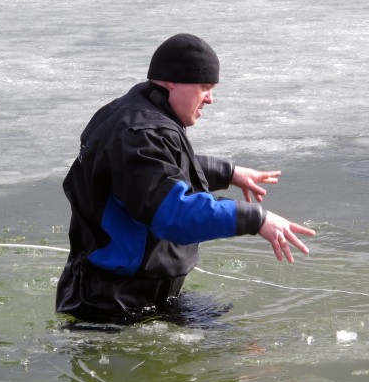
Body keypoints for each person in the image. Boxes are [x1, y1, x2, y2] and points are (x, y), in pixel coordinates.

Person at [56, 33, 315, 323]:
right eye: (204, 87)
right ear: (171, 81)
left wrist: (227, 173)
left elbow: (155, 171)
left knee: (242, 348)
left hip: (143, 294)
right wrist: (255, 219)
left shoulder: (136, 115)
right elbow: (173, 215)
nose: (211, 99)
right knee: (239, 356)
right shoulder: (142, 135)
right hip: (112, 304)